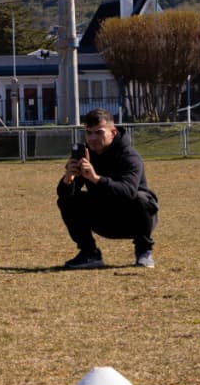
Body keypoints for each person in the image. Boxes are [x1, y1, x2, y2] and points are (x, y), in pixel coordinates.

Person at [56, 108, 159, 269]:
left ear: (113, 132)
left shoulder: (130, 156)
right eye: (89, 133)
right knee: (67, 200)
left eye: (99, 132)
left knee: (142, 198)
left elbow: (127, 192)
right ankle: (89, 253)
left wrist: (96, 179)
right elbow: (64, 195)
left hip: (132, 220)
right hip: (103, 219)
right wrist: (68, 178)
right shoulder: (85, 155)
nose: (93, 138)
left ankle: (143, 251)